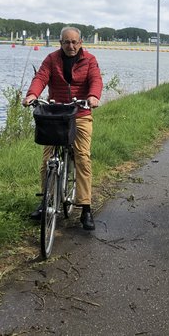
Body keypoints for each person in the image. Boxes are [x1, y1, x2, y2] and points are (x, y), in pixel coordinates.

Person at [23, 27, 103, 230]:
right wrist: (32, 94)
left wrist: (93, 97)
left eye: (75, 42)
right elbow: (41, 77)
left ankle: (85, 207)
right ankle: (46, 202)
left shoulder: (90, 60)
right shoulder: (51, 59)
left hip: (80, 114)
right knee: (47, 160)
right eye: (67, 42)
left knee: (83, 158)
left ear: (81, 42)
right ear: (60, 43)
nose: (71, 46)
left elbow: (96, 80)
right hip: (56, 114)